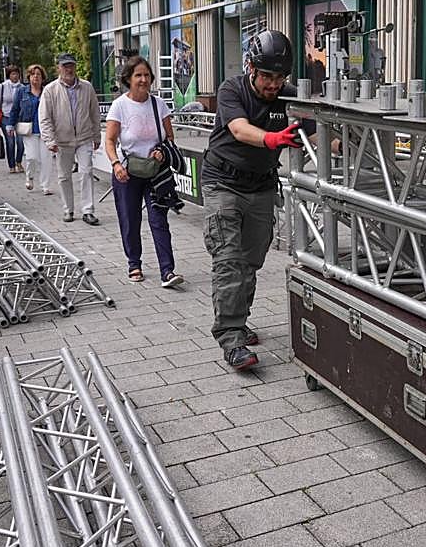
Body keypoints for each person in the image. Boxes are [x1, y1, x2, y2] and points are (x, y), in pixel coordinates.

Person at [202, 29, 315, 370]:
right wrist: (272, 139)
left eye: (280, 77)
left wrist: (345, 145)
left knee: (250, 262)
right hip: (223, 183)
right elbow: (238, 129)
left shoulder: (291, 97)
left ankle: (238, 318)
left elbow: (316, 134)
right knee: (229, 260)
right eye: (267, 76)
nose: (273, 84)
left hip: (262, 187)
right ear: (251, 68)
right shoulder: (231, 90)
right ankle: (231, 337)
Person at [103, 55, 183, 288]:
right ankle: (134, 262)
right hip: (127, 173)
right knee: (130, 219)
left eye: (146, 75)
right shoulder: (120, 105)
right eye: (138, 75)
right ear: (128, 78)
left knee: (159, 220)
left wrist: (161, 151)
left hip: (155, 173)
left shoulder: (159, 104)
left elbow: (169, 136)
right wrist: (116, 164)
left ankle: (167, 271)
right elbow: (109, 140)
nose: (143, 79)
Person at [38, 53, 101, 225]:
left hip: (84, 137)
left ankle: (88, 210)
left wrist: (97, 135)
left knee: (86, 171)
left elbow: (95, 113)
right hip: (62, 140)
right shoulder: (50, 90)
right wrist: (49, 140)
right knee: (64, 176)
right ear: (58, 68)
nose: (69, 69)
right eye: (65, 66)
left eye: (71, 65)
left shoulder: (87, 88)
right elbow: (44, 118)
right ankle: (68, 209)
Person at [9, 63, 52, 194]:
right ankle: (30, 176)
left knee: (46, 159)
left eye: (38, 74)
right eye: (33, 74)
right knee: (32, 157)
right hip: (29, 129)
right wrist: (10, 124)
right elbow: (15, 109)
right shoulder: (22, 92)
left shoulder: (47, 91)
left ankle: (45, 185)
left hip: (45, 129)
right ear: (29, 77)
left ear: (42, 77)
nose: (35, 77)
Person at [0, 64, 25, 172]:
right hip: (6, 117)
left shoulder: (23, 88)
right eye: (13, 74)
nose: (15, 76)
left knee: (20, 142)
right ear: (9, 75)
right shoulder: (3, 86)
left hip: (19, 118)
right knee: (10, 142)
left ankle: (19, 161)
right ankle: (11, 165)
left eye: (16, 74)